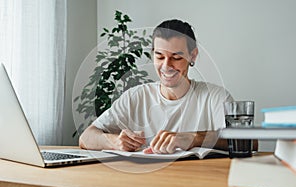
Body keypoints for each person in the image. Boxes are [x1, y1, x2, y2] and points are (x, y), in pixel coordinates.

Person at [79, 19, 234, 154]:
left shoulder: (216, 97)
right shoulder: (135, 97)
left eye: (176, 57)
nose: (166, 66)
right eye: (160, 56)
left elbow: (248, 142)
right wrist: (115, 141)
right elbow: (86, 137)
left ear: (192, 56)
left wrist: (194, 138)